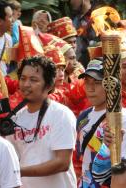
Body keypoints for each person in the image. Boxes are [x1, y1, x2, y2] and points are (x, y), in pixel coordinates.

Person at [5, 56, 77, 188]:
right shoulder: (15, 119)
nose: (26, 84)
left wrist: (18, 171)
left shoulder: (61, 114)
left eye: (34, 80)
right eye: (23, 78)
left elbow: (62, 163)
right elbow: (10, 158)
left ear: (49, 85)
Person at [76, 59, 126, 187]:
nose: (90, 88)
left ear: (111, 84)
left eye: (96, 82)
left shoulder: (124, 120)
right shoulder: (83, 117)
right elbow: (80, 159)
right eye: (87, 82)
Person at [70, 0, 99, 67]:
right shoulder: (75, 19)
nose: (71, 2)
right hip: (77, 64)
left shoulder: (98, 17)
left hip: (92, 65)